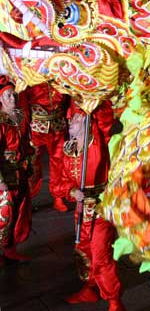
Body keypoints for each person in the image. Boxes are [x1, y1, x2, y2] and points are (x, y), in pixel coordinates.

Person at [56, 104, 124, 311]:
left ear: (87, 122)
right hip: (81, 211)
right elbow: (62, 180)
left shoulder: (98, 141)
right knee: (84, 251)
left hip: (101, 208)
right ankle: (90, 289)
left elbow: (104, 117)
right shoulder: (68, 149)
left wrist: (89, 103)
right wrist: (71, 191)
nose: (71, 122)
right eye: (71, 120)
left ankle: (115, 301)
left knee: (101, 255)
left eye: (76, 119)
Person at [0, 76, 32, 265]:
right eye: (9, 96)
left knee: (20, 212)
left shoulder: (20, 116)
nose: (13, 99)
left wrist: (29, 160)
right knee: (5, 212)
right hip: (6, 171)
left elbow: (26, 142)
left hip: (20, 169)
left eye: (14, 95)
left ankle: (10, 250)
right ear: (1, 99)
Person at [24, 82, 69, 210]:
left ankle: (58, 195)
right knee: (32, 163)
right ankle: (28, 196)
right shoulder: (32, 72)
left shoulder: (59, 69)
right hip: (36, 126)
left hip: (58, 123)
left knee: (59, 161)